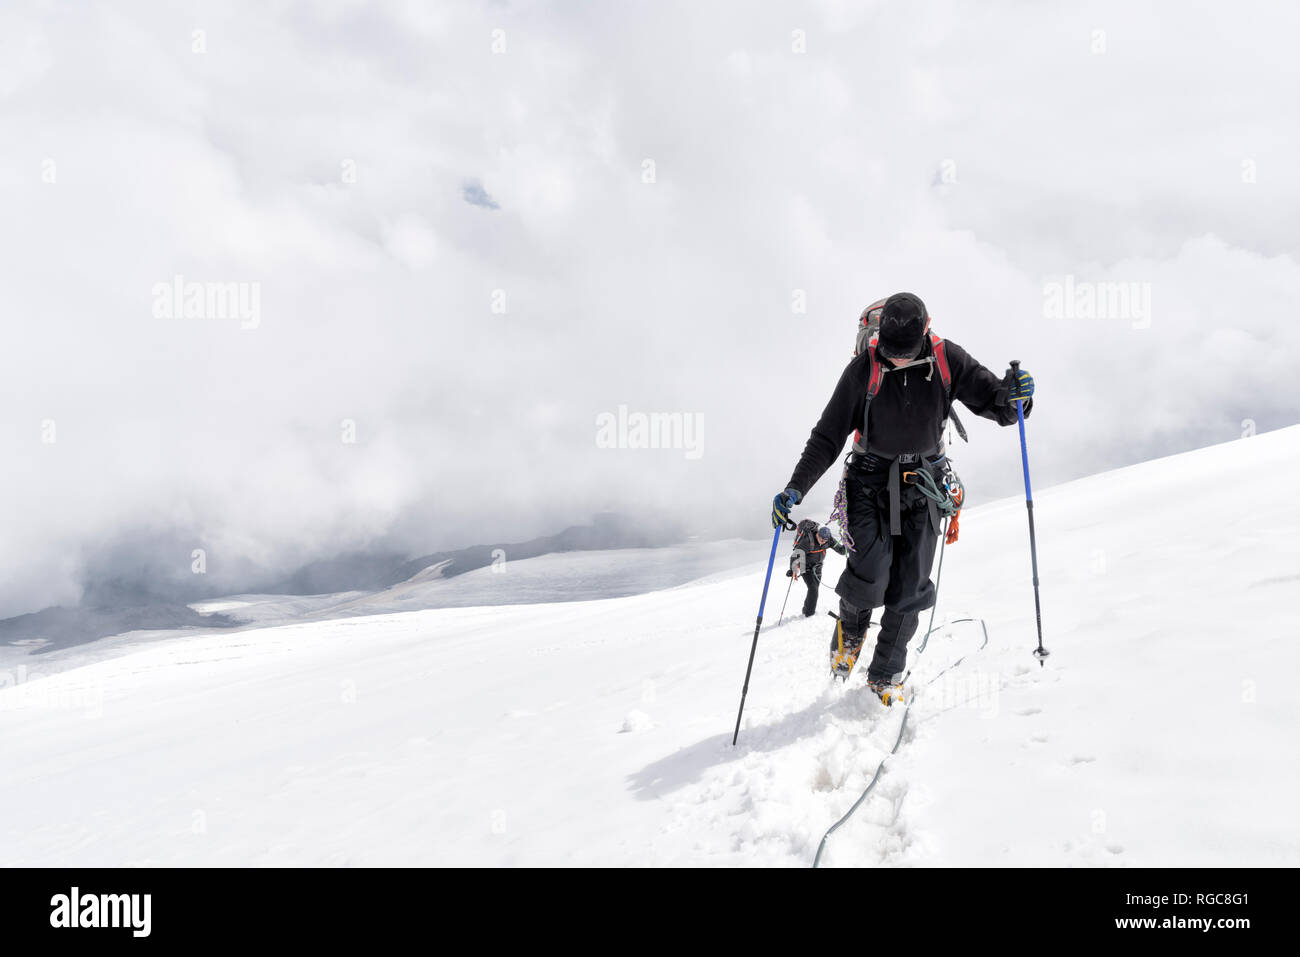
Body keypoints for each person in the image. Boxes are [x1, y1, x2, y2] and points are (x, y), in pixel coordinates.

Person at [770, 292, 1034, 704]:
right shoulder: (864, 369)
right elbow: (827, 436)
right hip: (868, 482)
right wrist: (795, 487)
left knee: (911, 586)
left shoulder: (949, 359)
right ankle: (851, 633)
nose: (895, 361)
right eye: (889, 353)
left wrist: (1017, 395)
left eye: (904, 354)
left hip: (926, 483)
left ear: (926, 333)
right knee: (869, 574)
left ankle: (885, 675)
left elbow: (998, 405)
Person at [786, 520, 846, 617]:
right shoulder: (808, 541)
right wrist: (792, 569)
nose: (823, 541)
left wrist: (848, 543)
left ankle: (806, 610)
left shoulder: (829, 539)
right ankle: (808, 614)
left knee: (815, 589)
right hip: (805, 566)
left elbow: (842, 551)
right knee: (813, 589)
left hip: (818, 567)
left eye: (825, 540)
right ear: (817, 534)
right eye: (821, 538)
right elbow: (795, 555)